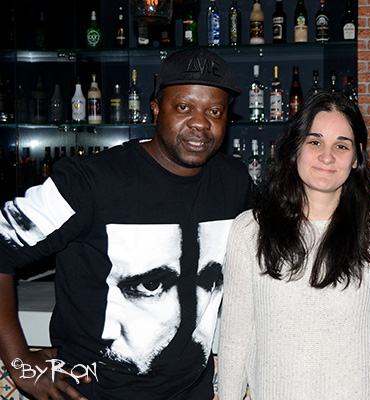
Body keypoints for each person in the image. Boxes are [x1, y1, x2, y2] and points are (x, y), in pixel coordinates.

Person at [0, 47, 252, 400]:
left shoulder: (233, 182)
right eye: (183, 107)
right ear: (155, 108)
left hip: (191, 392)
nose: (200, 122)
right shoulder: (91, 182)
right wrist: (20, 362)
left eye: (214, 111)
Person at [217, 91, 370, 399]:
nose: (327, 156)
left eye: (341, 145)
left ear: (356, 158)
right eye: (315, 142)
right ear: (295, 148)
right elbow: (235, 339)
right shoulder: (250, 231)